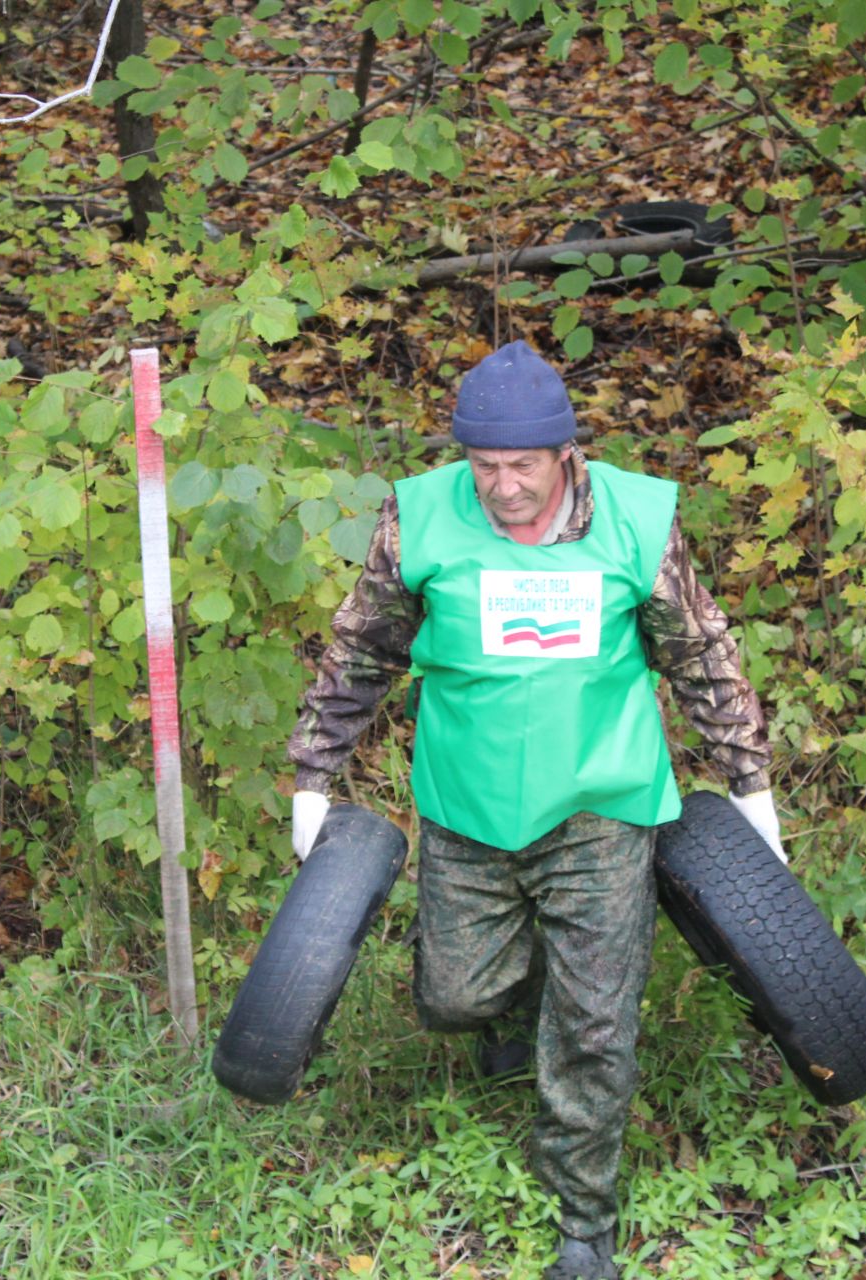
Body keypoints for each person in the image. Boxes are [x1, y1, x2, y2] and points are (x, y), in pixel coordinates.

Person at [283, 340, 781, 1280]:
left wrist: (749, 781)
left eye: (522, 466)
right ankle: (520, 1013)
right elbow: (365, 649)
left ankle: (584, 1220)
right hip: (468, 809)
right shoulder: (422, 517)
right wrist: (315, 772)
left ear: (566, 455)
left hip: (601, 804)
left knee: (595, 1026)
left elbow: (699, 653)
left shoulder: (634, 521)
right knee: (452, 997)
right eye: (484, 466)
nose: (503, 488)